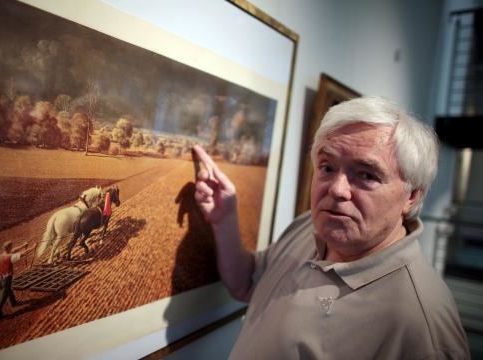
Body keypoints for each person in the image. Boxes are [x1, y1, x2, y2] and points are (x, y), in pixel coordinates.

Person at [193, 96, 470, 359]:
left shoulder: (425, 328)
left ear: (411, 196)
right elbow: (247, 282)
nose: (337, 190)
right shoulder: (311, 227)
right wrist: (225, 219)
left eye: (366, 175)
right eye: (327, 167)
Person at [0, 240, 33, 320]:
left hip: (0, 280)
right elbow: (23, 254)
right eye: (11, 247)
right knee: (2, 298)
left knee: (9, 290)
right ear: (8, 248)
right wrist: (33, 248)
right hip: (6, 280)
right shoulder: (10, 257)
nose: (12, 248)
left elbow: (14, 251)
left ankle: (13, 302)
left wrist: (23, 245)